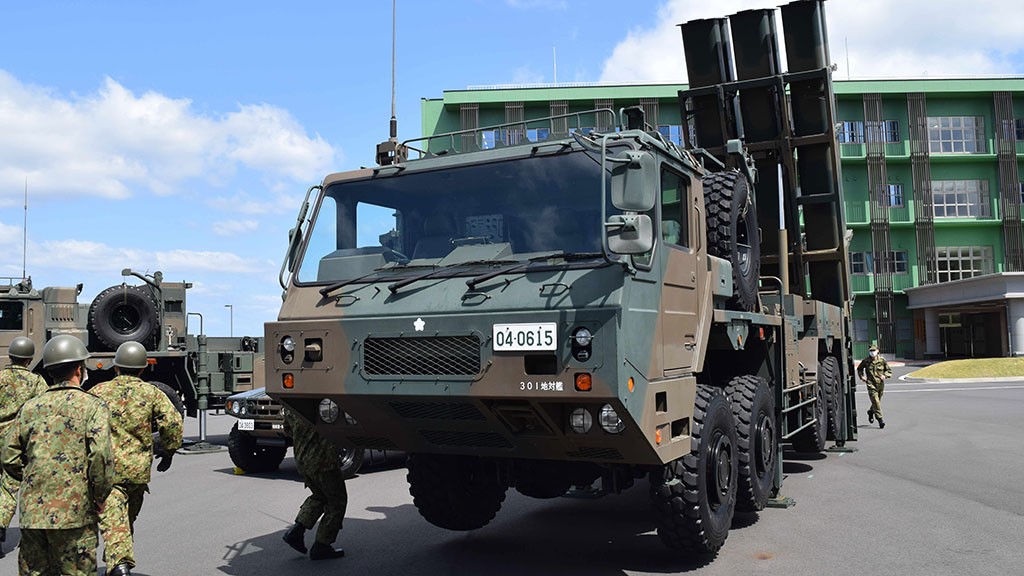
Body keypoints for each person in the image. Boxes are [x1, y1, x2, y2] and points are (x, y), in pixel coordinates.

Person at [1, 334, 113, 575]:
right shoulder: (93, 406)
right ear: (80, 369)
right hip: (75, 514)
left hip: (33, 514)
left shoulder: (30, 408)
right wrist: (100, 496)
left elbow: (9, 456)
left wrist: (33, 480)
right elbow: (100, 458)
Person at [90, 341, 183, 576]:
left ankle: (119, 565)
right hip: (138, 471)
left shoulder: (98, 392)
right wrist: (168, 451)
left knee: (114, 520)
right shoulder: (152, 393)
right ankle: (118, 561)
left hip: (107, 471)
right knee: (124, 520)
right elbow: (172, 423)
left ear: (116, 367)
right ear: (143, 369)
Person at [0, 337, 49, 556]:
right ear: (29, 359)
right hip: (17, 442)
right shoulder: (37, 382)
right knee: (9, 486)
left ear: (10, 356)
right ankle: (0, 524)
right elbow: (44, 412)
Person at [281, 407, 348, 561]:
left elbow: (287, 429)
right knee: (337, 502)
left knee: (320, 496)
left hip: (303, 460)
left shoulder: (291, 405)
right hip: (323, 461)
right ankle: (322, 546)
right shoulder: (324, 403)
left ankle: (296, 532)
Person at [857, 344, 892, 428]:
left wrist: (885, 375)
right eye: (871, 351)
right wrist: (862, 377)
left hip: (880, 384)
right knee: (876, 401)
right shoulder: (866, 361)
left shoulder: (882, 360)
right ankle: (880, 420)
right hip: (870, 384)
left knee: (877, 401)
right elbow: (859, 369)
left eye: (874, 351)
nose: (872, 352)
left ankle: (871, 411)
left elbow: (889, 370)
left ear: (877, 351)